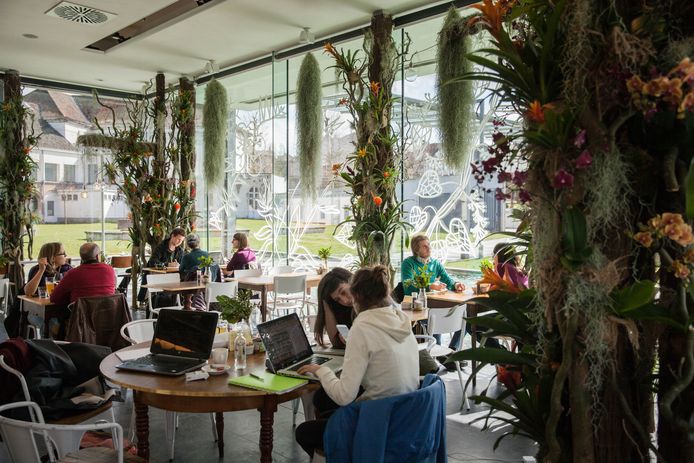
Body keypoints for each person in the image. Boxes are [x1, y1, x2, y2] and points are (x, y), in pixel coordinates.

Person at [295, 265, 419, 458]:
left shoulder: (362, 327)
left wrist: (321, 370)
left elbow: (344, 396)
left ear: (356, 294)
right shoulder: (400, 318)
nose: (345, 301)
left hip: (376, 424)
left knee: (304, 432)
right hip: (406, 416)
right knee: (326, 405)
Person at [401, 234, 465, 350]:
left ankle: (451, 351)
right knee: (436, 318)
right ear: (416, 250)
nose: (429, 248)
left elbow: (447, 279)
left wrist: (456, 284)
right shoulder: (408, 263)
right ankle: (440, 354)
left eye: (429, 245)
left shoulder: (435, 263)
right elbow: (408, 287)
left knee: (464, 318)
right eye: (425, 246)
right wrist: (430, 286)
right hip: (418, 309)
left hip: (436, 307)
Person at [50, 243, 116, 307]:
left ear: (81, 257)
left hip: (82, 316)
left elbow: (54, 298)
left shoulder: (73, 273)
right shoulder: (110, 270)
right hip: (108, 315)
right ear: (97, 256)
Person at [314, 268, 355, 349]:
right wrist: (326, 302)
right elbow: (335, 343)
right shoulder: (343, 309)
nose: (345, 301)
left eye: (343, 292)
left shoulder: (372, 302)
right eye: (337, 299)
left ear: (351, 281)